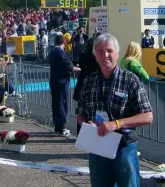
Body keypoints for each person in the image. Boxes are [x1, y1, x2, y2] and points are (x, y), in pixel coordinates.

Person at [77, 33, 153, 187]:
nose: (105, 55)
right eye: (100, 51)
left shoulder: (130, 80)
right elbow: (80, 114)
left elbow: (147, 116)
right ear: (95, 56)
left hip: (123, 148)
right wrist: (87, 123)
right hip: (97, 147)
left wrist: (116, 124)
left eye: (109, 51)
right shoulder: (88, 81)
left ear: (117, 54)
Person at [49, 34, 80, 136]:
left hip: (54, 81)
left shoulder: (52, 52)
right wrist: (80, 69)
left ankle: (58, 127)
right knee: (62, 105)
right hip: (61, 82)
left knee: (56, 104)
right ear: (64, 42)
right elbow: (68, 67)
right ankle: (60, 128)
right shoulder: (61, 53)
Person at [73, 33, 101, 135]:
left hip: (81, 85)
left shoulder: (83, 55)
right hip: (92, 86)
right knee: (91, 112)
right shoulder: (97, 58)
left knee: (80, 111)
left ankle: (80, 133)